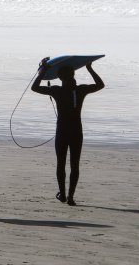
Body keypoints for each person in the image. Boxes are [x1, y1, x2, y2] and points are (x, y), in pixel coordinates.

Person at [31, 60, 105, 206]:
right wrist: (89, 68)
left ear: (59, 78)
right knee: (74, 165)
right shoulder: (81, 90)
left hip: (62, 131)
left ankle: (63, 194)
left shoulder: (57, 91)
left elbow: (34, 88)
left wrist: (43, 71)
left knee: (61, 164)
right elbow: (100, 85)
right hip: (76, 131)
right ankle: (71, 197)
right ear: (74, 74)